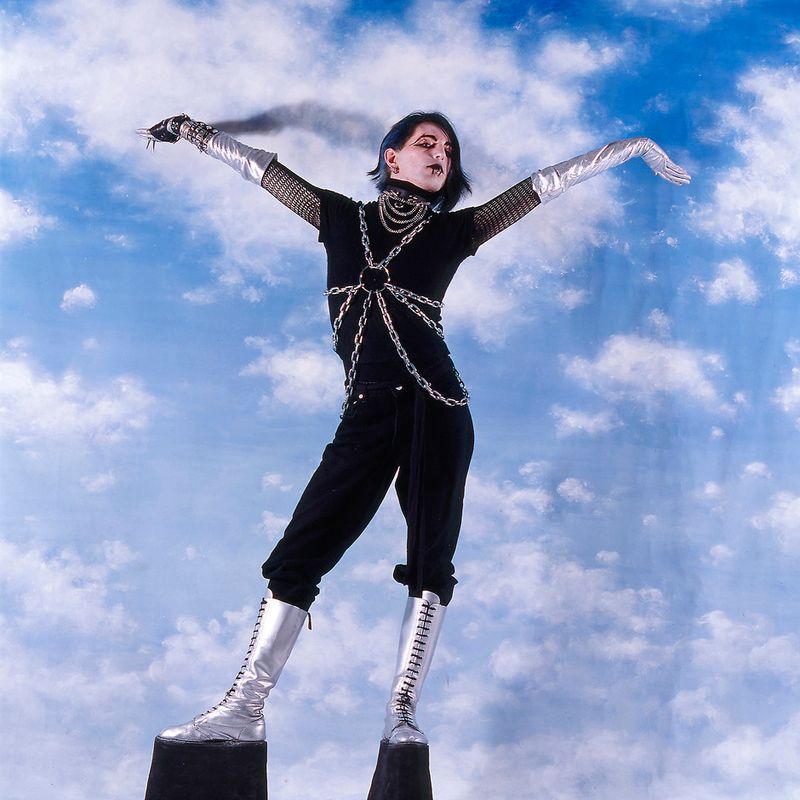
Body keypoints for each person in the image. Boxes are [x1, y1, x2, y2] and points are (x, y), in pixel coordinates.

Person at [138, 111, 690, 747]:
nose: (441, 155)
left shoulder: (460, 230)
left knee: (431, 560)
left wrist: (630, 148)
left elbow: (544, 185)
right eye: (427, 143)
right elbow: (260, 169)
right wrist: (195, 132)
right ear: (391, 159)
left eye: (450, 150)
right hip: (367, 412)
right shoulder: (337, 217)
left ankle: (401, 715)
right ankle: (244, 707)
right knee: (300, 553)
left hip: (439, 409)